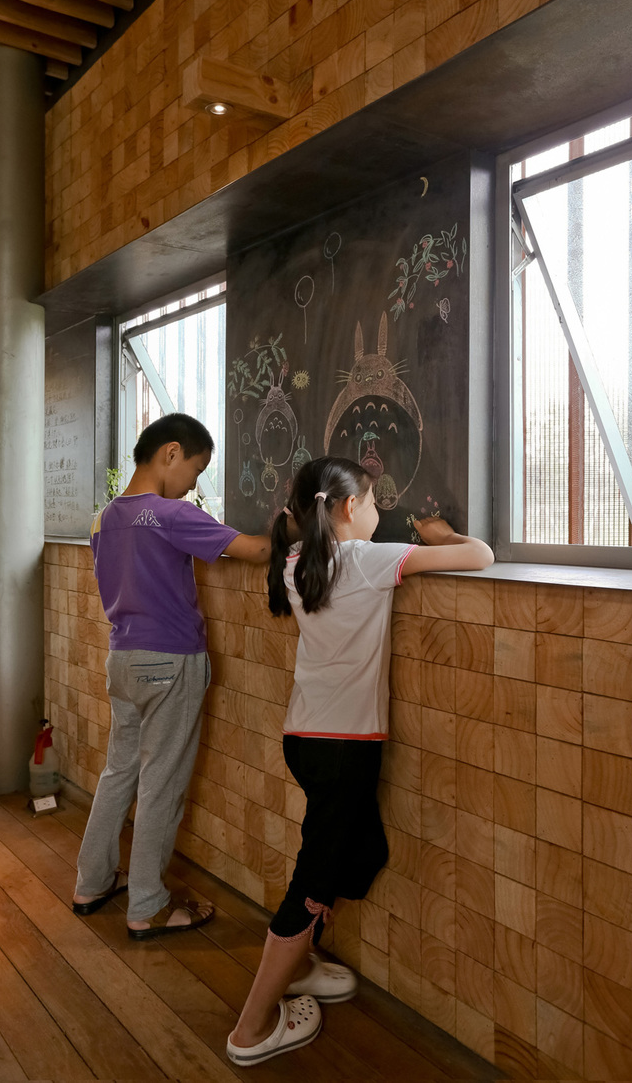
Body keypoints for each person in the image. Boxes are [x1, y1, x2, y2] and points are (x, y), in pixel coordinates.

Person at [226, 456, 494, 1066]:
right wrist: (443, 536)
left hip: (306, 739)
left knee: (363, 852)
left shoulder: (296, 563)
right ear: (350, 507)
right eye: (373, 503)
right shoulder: (367, 561)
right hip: (345, 748)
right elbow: (480, 556)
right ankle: (252, 1030)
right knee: (314, 881)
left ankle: (296, 964)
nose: (378, 513)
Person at [72, 413, 271, 939]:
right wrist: (294, 526)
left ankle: (91, 883)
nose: (194, 485)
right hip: (170, 660)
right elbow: (258, 550)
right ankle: (147, 906)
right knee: (161, 784)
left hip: (123, 658)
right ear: (171, 453)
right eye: (196, 471)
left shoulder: (103, 519)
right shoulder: (170, 514)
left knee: (119, 773)